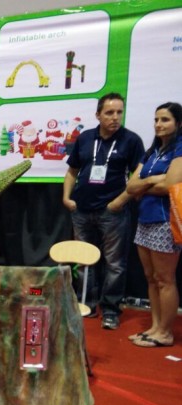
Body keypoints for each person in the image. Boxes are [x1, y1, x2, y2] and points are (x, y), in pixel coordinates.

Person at [62, 92, 145, 330]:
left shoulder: (131, 140)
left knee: (114, 263)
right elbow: (72, 171)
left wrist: (120, 201)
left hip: (113, 212)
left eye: (119, 112)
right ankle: (86, 303)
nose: (115, 117)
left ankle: (110, 310)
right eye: (109, 112)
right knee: (83, 260)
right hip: (81, 209)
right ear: (98, 115)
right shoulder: (85, 138)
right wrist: (66, 197)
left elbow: (138, 176)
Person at [127, 102, 182, 347]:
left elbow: (170, 185)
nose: (159, 124)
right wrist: (152, 179)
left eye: (165, 120)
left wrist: (146, 185)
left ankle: (166, 332)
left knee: (165, 279)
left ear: (178, 123)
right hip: (145, 218)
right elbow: (131, 186)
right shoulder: (152, 151)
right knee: (150, 278)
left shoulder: (180, 148)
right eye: (156, 119)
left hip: (166, 221)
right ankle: (155, 327)